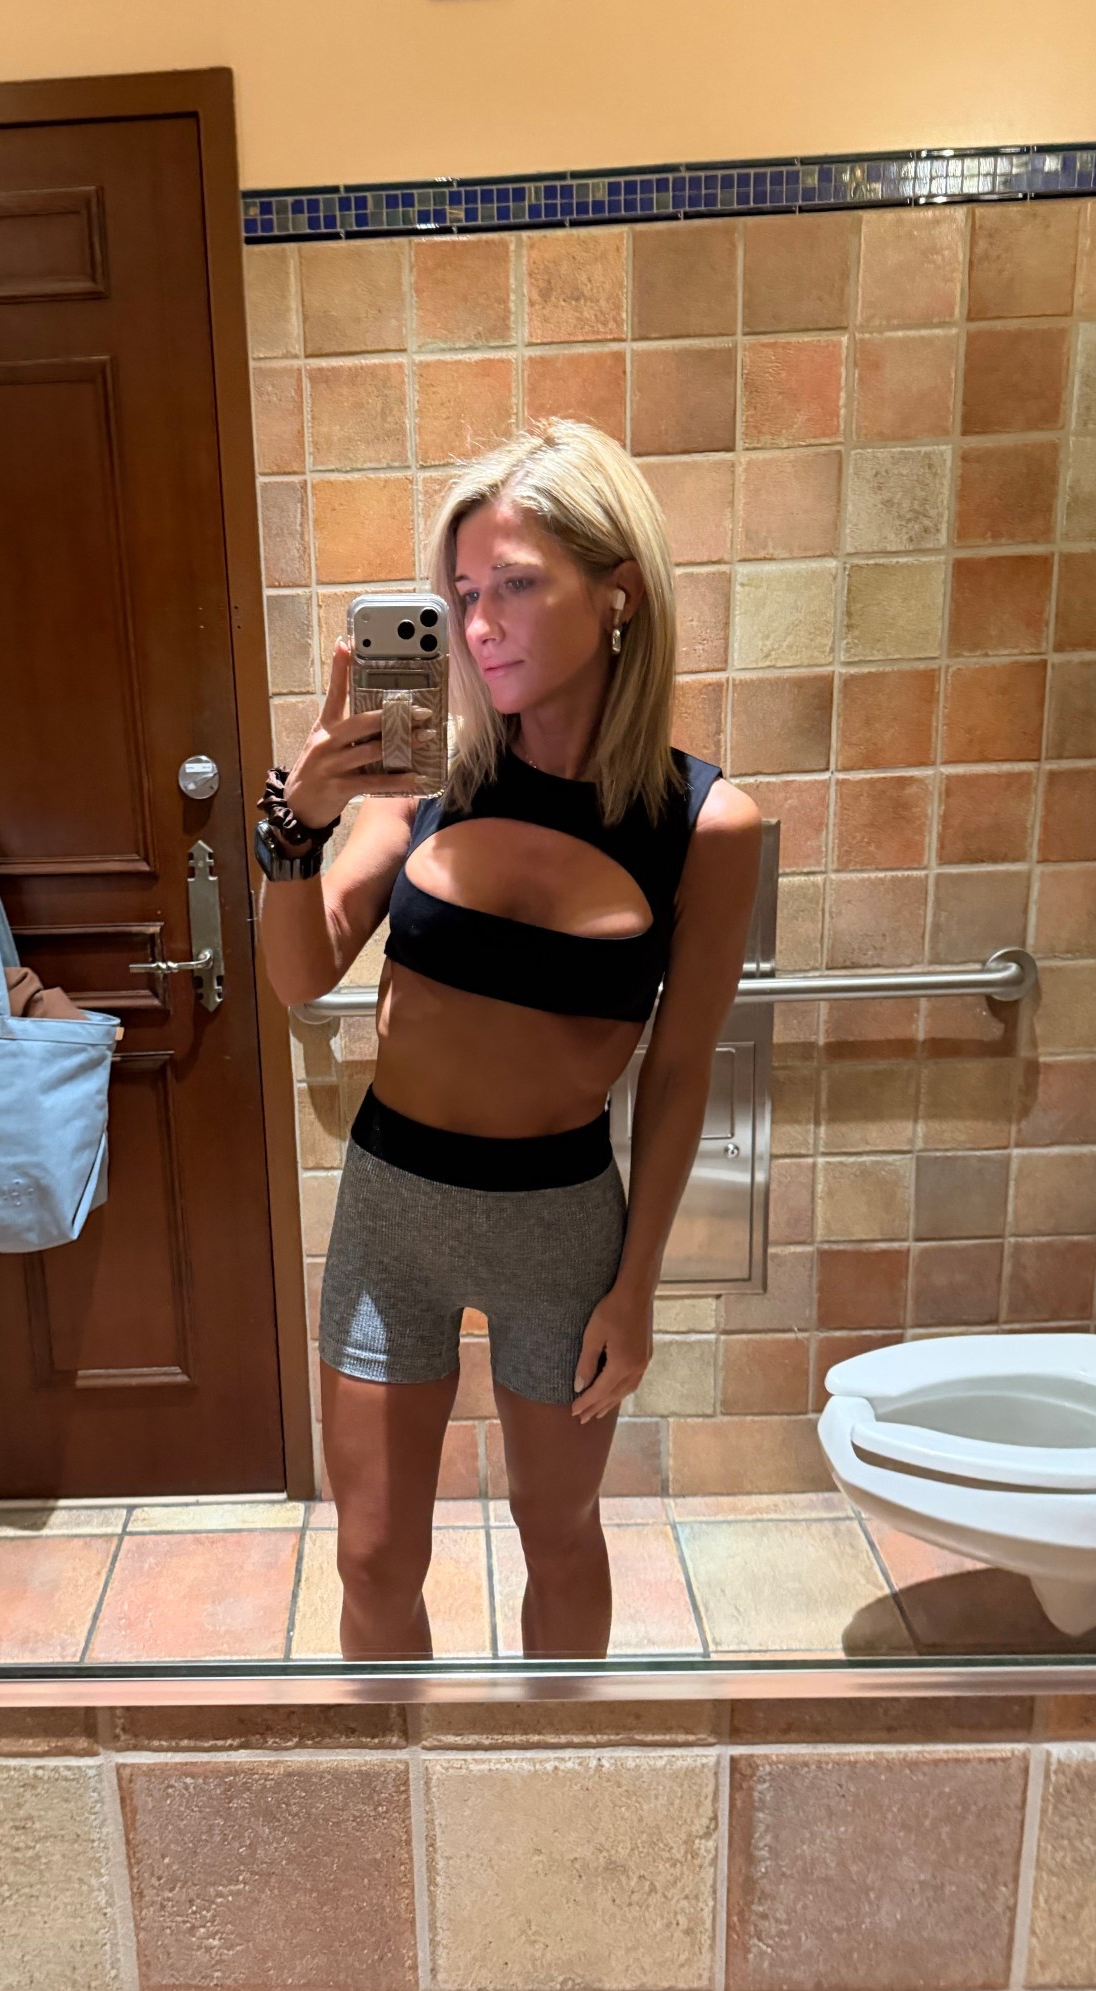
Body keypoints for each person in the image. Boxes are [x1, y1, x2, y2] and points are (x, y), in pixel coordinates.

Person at [254, 419, 762, 1659]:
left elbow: (681, 1067)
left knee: (562, 1531)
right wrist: (293, 827)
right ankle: (402, 1773)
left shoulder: (706, 824)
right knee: (372, 1555)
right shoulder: (420, 779)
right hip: (394, 1211)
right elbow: (300, 974)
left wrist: (636, 1287)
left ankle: (556, 1768)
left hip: (563, 1227)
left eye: (516, 585)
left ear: (619, 591)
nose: (479, 625)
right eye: (464, 593)